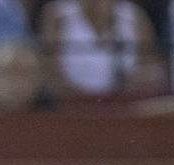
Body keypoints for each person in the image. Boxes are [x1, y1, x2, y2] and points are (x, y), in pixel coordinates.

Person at [37, 0, 165, 97]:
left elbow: (150, 65)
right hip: (72, 105)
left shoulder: (135, 16)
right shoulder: (57, 15)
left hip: (123, 105)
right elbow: (49, 72)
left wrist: (139, 79)